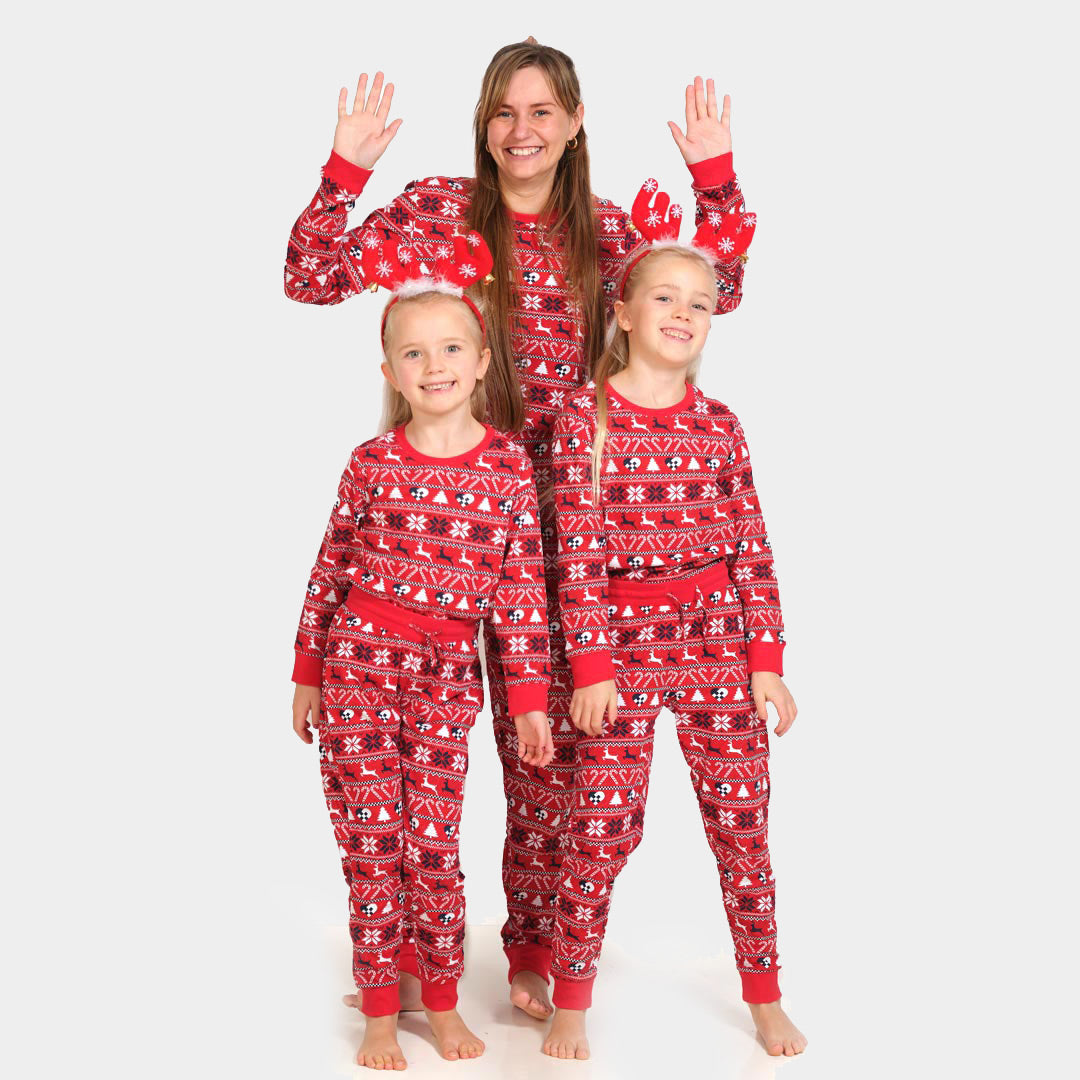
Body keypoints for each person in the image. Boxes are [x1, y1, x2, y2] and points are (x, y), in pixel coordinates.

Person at [285, 38, 754, 1020]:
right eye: (504, 111)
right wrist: (343, 172)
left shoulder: (611, 235)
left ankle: (533, 949)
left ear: (575, 124)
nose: (521, 130)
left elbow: (714, 288)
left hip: (577, 539)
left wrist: (715, 181)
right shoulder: (440, 211)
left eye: (542, 111)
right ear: (483, 124)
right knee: (413, 761)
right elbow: (311, 276)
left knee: (549, 763)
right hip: (448, 525)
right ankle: (399, 950)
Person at [545, 191, 807, 1059]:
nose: (684, 313)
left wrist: (765, 659)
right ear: (622, 312)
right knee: (600, 830)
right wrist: (591, 668)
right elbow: (576, 556)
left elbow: (751, 547)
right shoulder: (583, 420)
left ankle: (764, 993)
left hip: (717, 646)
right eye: (664, 296)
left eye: (699, 303)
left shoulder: (719, 424)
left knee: (742, 826)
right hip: (619, 653)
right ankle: (571, 999)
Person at [290, 241, 553, 1069]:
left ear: (481, 361)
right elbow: (330, 570)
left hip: (445, 681)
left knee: (433, 846)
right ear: (390, 373)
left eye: (449, 348)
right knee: (372, 844)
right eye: (413, 353)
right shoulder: (371, 463)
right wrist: (306, 675)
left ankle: (438, 1000)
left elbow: (519, 594)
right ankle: (379, 1011)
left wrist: (531, 701)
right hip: (358, 667)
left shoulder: (508, 467)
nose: (434, 365)